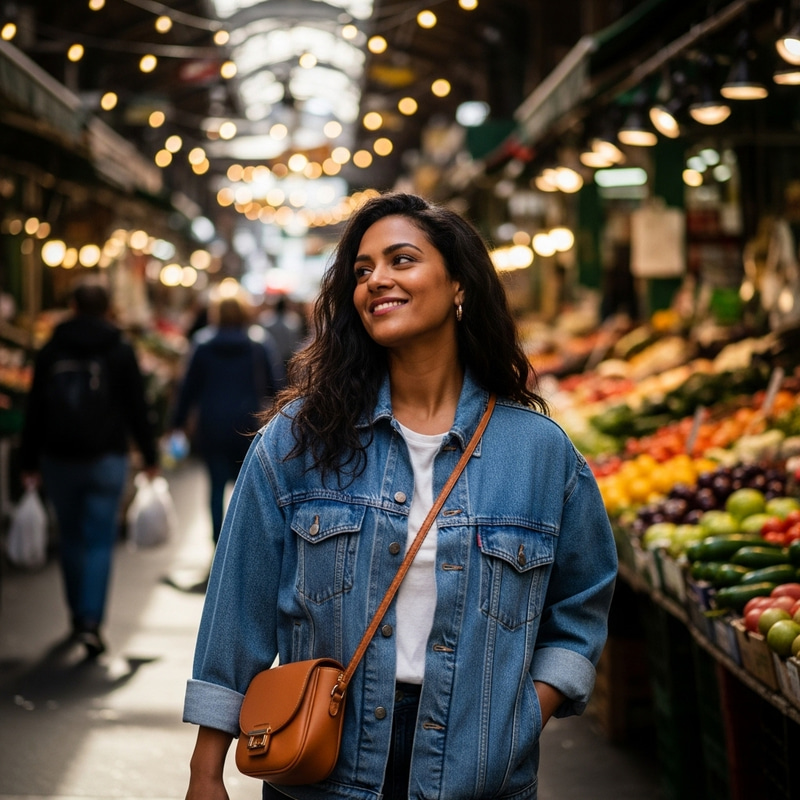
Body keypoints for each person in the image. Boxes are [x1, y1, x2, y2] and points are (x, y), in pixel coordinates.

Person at [183, 192, 617, 800]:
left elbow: (582, 603)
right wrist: (206, 770)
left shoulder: (539, 453)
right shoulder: (298, 441)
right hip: (325, 766)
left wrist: (521, 717)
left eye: (402, 260)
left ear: (459, 285)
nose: (376, 280)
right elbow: (238, 606)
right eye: (362, 270)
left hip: (476, 773)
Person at [19, 277, 159, 658]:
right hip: (107, 458)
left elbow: (35, 409)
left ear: (74, 307)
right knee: (99, 539)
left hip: (58, 459)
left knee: (70, 536)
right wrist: (150, 456)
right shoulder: (120, 348)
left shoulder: (51, 349)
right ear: (107, 309)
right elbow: (137, 407)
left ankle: (76, 616)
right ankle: (92, 621)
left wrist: (27, 461)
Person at [170, 290, 284, 549]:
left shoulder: (202, 344)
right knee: (246, 488)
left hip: (212, 425)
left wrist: (176, 424)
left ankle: (217, 544)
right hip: (249, 425)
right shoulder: (258, 343)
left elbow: (188, 389)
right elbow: (277, 387)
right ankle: (242, 546)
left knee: (215, 486)